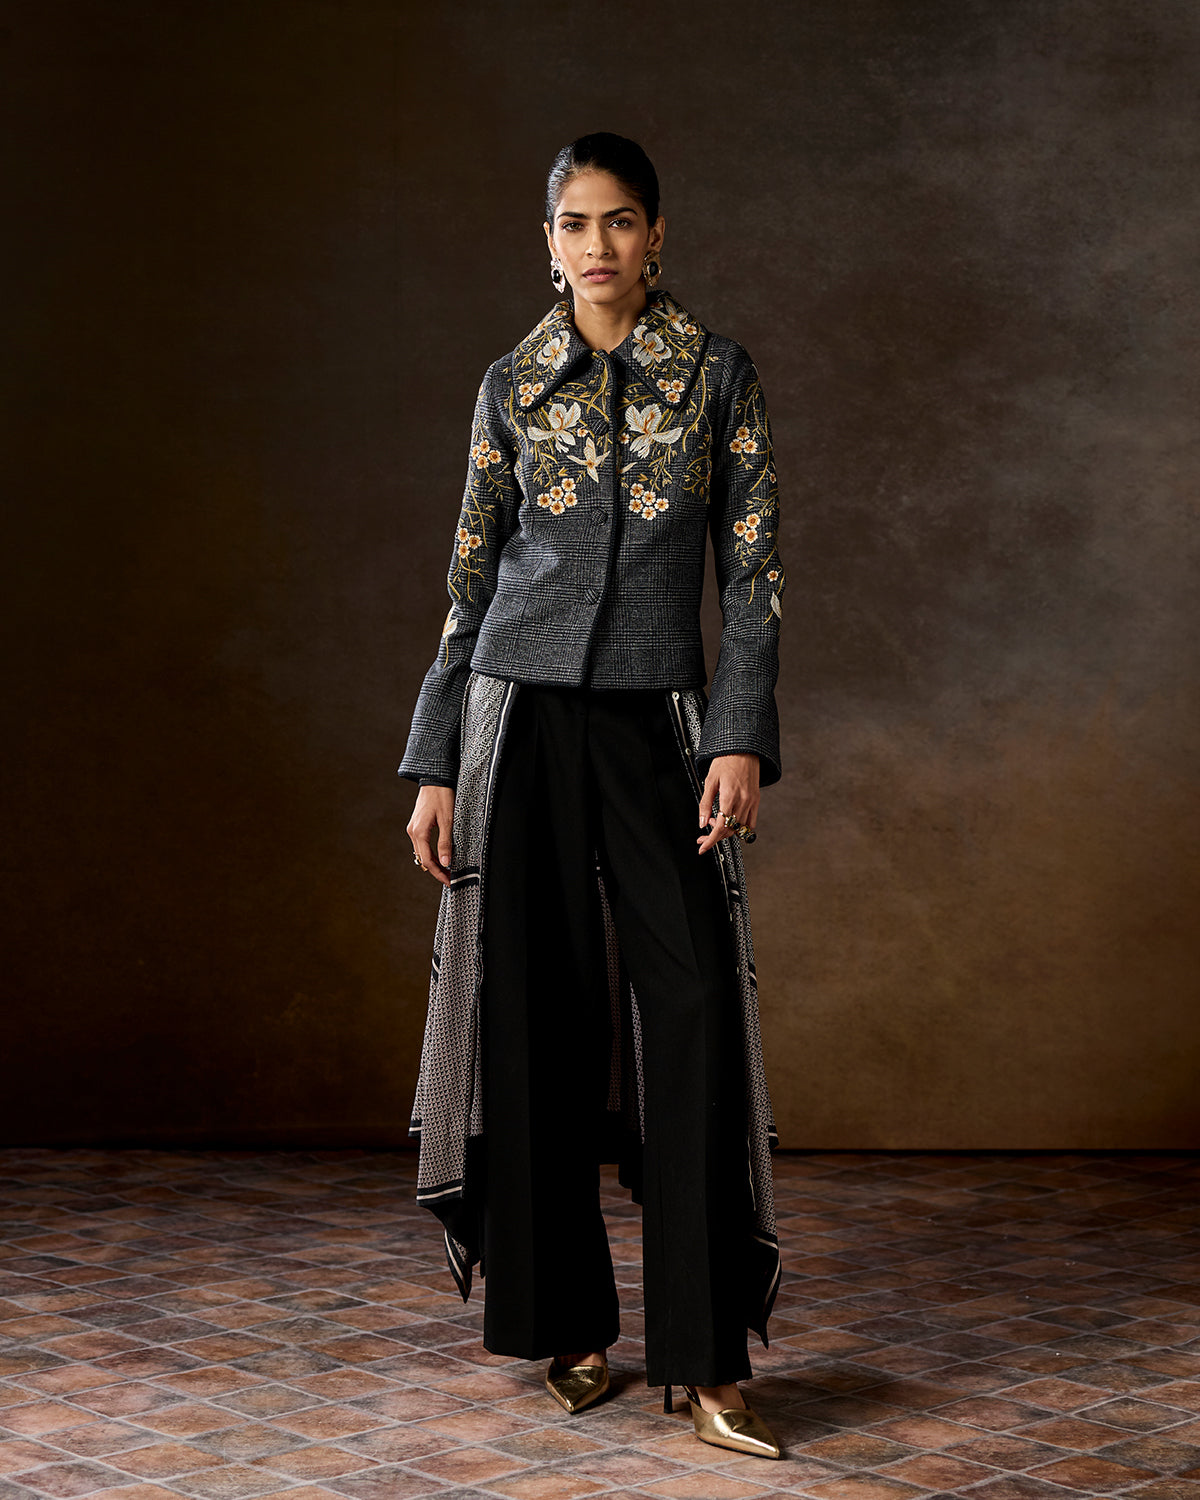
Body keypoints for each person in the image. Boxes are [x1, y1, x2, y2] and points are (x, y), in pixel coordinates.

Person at [399, 132, 786, 1461]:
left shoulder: (718, 377)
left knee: (692, 1005)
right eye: (576, 223)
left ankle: (708, 1357)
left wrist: (738, 736)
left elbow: (755, 579)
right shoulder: (512, 386)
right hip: (515, 717)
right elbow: (468, 579)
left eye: (621, 221)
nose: (600, 245)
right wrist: (435, 758)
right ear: (549, 242)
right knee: (538, 1015)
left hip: (658, 718)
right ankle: (568, 1324)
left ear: (657, 236)